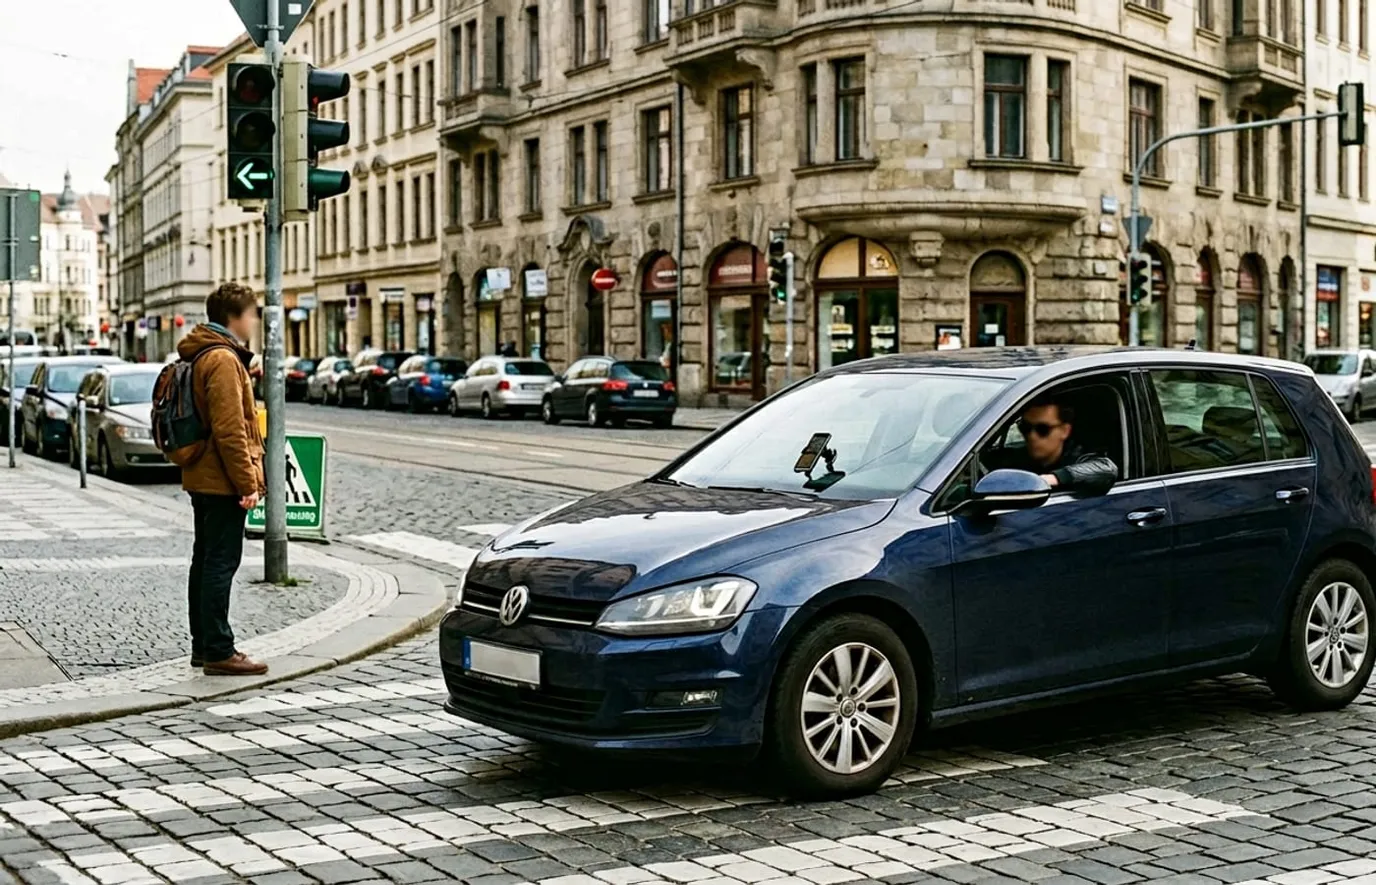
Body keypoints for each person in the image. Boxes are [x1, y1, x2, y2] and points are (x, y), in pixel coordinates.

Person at [177, 282, 268, 676]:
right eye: (252, 314)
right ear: (237, 316)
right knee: (220, 562)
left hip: (203, 475)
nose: (254, 322)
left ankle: (203, 645)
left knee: (205, 559)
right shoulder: (223, 360)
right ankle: (218, 649)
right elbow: (232, 430)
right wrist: (247, 483)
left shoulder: (207, 354)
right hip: (221, 479)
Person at [985, 395, 1117, 495]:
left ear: (1065, 431)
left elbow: (1107, 469)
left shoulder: (1076, 456)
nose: (1032, 436)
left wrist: (1052, 479)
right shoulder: (1016, 457)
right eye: (1025, 428)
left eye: (1043, 429)